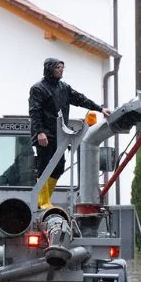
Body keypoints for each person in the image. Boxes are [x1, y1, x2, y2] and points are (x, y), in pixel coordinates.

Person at [28, 58, 110, 208]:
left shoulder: (63, 87)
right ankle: (44, 201)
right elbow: (35, 112)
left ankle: (45, 199)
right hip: (45, 134)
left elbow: (80, 99)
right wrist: (40, 132)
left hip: (60, 134)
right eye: (58, 68)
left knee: (59, 166)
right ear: (50, 69)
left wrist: (99, 108)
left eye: (62, 68)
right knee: (44, 166)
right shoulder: (38, 89)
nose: (61, 70)